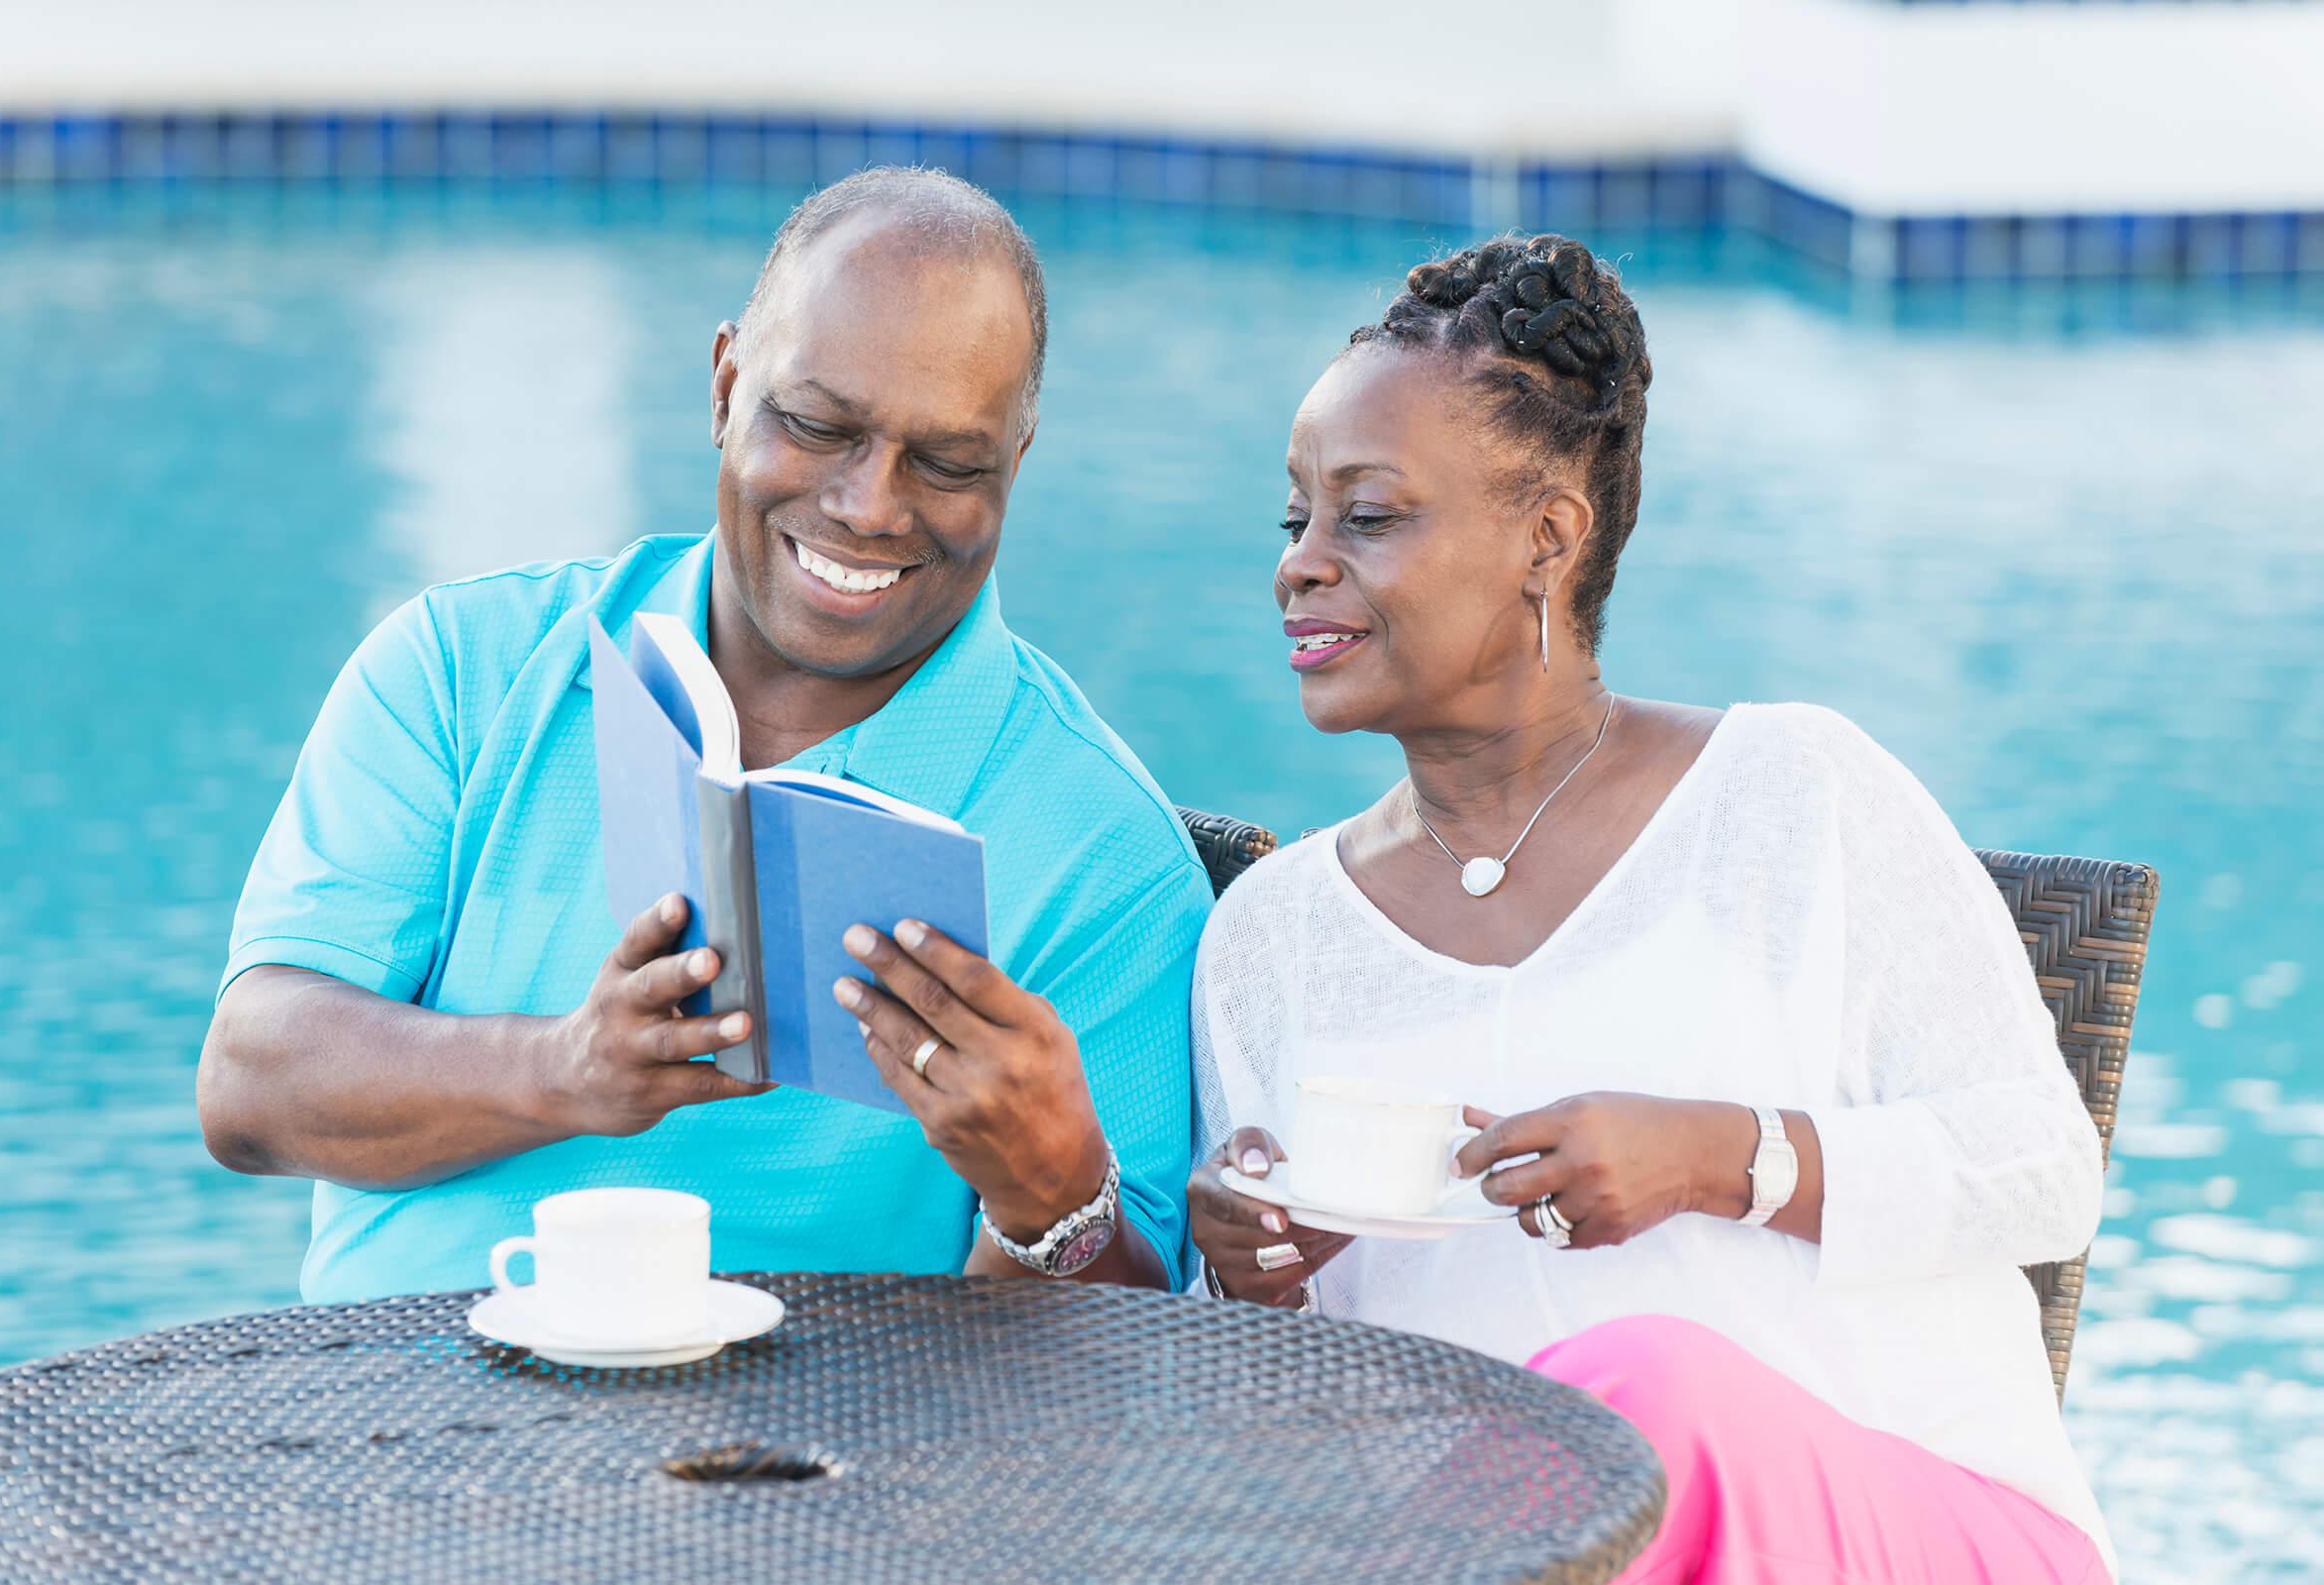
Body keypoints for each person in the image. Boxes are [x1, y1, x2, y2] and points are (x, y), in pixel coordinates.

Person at [1186, 235, 2115, 1582]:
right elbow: (1308, 1411)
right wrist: (1255, 1268)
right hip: (1494, 1551)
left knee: (1647, 1392)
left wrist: (1727, 1158)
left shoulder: (1796, 797)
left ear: (1547, 538)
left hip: (1898, 1530)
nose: (1302, 565)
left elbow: (2043, 1171)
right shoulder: (1270, 936)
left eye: (1367, 518)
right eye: (1297, 521)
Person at [199, 167, 1213, 1302]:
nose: (871, 506)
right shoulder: (459, 666)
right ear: (726, 384)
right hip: (397, 1436)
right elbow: (248, 1085)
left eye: (948, 463)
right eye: (818, 425)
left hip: (825, 1465)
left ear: (1014, 467)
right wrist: (564, 1069)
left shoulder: (1105, 855)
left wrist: (1050, 1195)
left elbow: (1128, 1375)